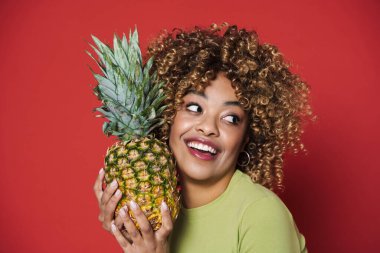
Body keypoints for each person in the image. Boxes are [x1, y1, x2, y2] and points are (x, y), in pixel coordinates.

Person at [93, 23, 312, 253]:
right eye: (195, 108)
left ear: (246, 138)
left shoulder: (261, 214)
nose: (208, 128)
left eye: (230, 119)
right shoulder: (158, 212)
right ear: (169, 116)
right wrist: (128, 232)